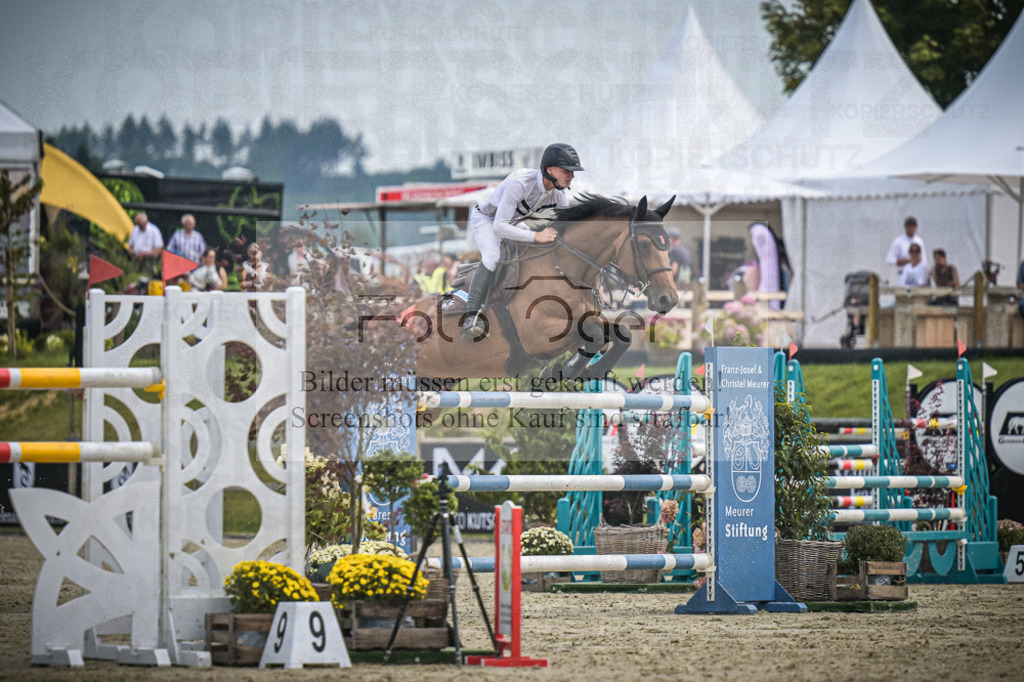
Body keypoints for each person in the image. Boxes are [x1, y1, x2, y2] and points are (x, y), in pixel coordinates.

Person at [462, 143, 583, 338]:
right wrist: (536, 236)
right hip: (487, 219)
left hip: (514, 221)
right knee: (493, 256)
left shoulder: (559, 194)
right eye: (566, 171)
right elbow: (499, 227)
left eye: (572, 171)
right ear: (550, 170)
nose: (572, 176)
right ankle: (471, 316)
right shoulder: (520, 183)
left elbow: (566, 226)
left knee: (531, 253)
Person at [886, 216, 926, 281]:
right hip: (902, 274)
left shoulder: (919, 241)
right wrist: (908, 261)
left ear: (916, 227)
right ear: (905, 227)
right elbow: (890, 260)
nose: (911, 228)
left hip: (917, 275)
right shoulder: (898, 241)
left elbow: (923, 260)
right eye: (909, 226)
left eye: (913, 226)